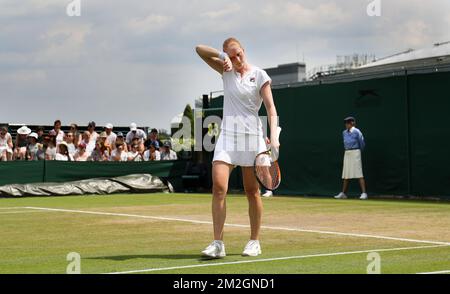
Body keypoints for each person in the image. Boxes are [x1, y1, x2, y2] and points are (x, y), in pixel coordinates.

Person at [196, 38, 279, 258]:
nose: (237, 59)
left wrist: (274, 136)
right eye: (231, 55)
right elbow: (199, 50)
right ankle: (217, 244)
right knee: (218, 187)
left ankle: (254, 241)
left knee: (252, 191)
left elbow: (271, 109)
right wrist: (222, 59)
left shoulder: (260, 74)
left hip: (253, 138)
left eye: (238, 54)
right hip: (228, 136)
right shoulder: (226, 70)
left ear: (244, 50)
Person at [335, 117, 368, 200]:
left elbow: (362, 143)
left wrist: (357, 151)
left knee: (359, 173)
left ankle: (364, 193)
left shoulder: (357, 131)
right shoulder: (344, 133)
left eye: (348, 123)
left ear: (352, 123)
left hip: (356, 152)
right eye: (346, 123)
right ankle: (343, 194)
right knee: (346, 174)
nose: (346, 124)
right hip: (347, 153)